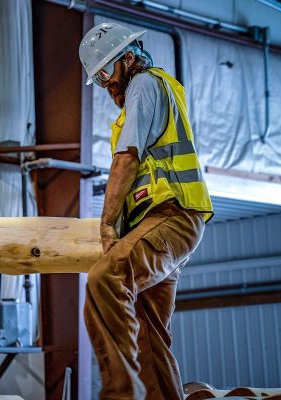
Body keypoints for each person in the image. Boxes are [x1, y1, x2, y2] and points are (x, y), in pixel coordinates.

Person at [79, 23, 213, 399]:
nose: (106, 84)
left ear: (129, 58)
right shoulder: (148, 94)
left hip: (170, 218)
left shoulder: (144, 85)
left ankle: (121, 394)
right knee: (149, 332)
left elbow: (128, 158)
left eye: (106, 71)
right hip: (160, 225)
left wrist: (106, 224)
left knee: (106, 278)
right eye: (99, 78)